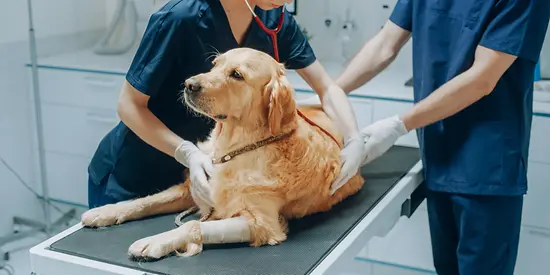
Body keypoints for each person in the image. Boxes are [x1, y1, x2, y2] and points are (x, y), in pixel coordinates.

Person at [327, 0, 549, 274]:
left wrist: (398, 125)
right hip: (439, 154)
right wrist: (329, 95)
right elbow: (385, 44)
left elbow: (483, 78)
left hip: (488, 166)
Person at [87, 0, 367, 209]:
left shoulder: (274, 19)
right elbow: (129, 105)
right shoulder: (180, 18)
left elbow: (327, 88)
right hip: (135, 177)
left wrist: (354, 139)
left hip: (202, 184)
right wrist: (187, 152)